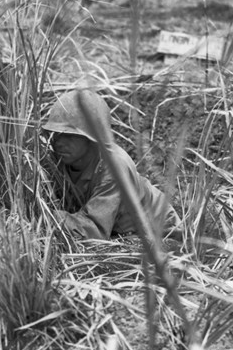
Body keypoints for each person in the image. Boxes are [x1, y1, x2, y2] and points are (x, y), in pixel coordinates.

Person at [41, 89, 172, 240]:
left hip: (161, 232)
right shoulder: (61, 158)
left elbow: (94, 231)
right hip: (121, 232)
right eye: (55, 133)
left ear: (92, 138)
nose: (59, 142)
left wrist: (49, 216)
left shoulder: (114, 167)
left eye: (69, 135)